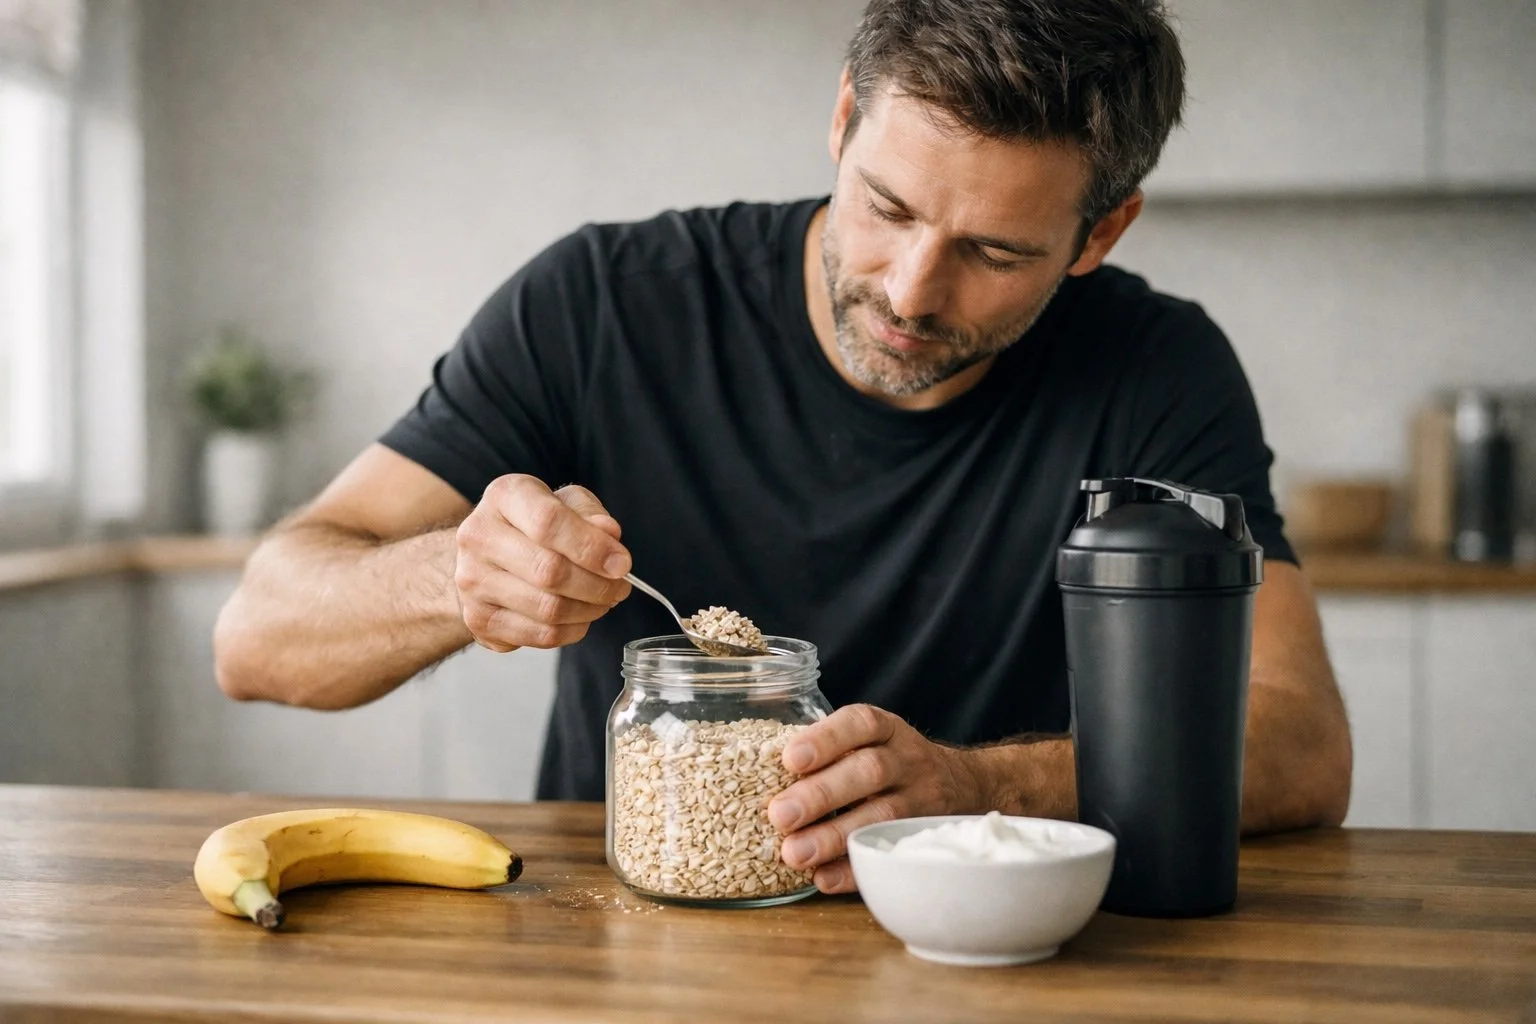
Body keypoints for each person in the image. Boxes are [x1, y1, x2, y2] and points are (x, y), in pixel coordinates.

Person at [214, 0, 1353, 895]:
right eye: (890, 208)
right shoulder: (600, 306)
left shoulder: (1159, 370)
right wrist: (454, 574)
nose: (911, 292)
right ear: (844, 117)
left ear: (1101, 229)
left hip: (991, 953)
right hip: (624, 937)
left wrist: (980, 785)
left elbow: (1301, 743)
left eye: (997, 252)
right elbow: (257, 639)